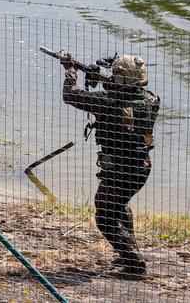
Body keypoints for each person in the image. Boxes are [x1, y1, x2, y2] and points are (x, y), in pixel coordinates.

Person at [58, 51, 159, 278]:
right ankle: (127, 255)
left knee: (104, 215)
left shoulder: (107, 102)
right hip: (141, 166)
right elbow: (128, 96)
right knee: (119, 206)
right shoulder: (152, 99)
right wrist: (105, 80)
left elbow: (71, 95)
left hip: (119, 169)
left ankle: (134, 264)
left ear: (119, 78)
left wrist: (71, 71)